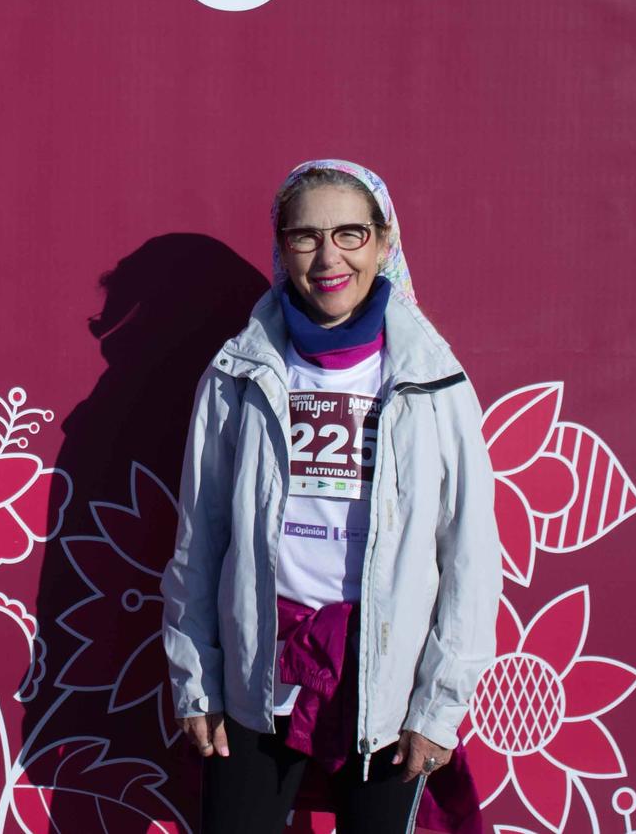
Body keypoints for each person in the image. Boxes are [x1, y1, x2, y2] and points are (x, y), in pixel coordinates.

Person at [160, 159, 500, 834]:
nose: (327, 256)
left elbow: (470, 557)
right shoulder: (238, 376)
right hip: (260, 676)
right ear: (282, 247)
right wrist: (196, 681)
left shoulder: (434, 383)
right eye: (305, 235)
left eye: (349, 233)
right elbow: (200, 539)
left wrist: (437, 708)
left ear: (382, 242)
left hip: (383, 683)